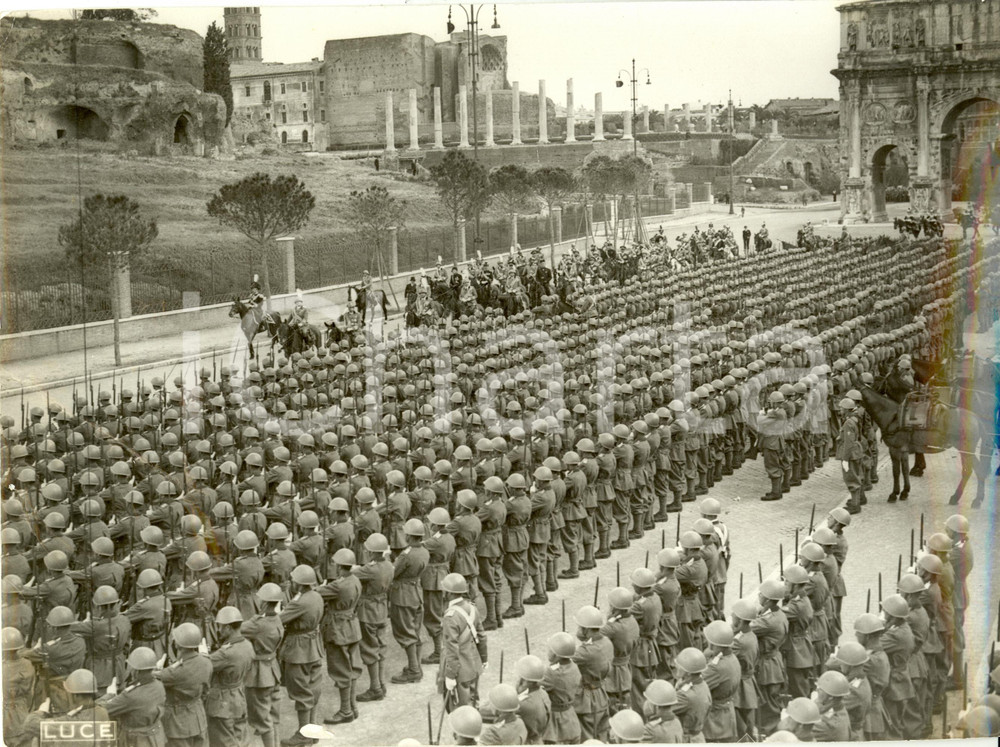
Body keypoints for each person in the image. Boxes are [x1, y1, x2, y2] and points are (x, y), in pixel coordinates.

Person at [439, 572, 488, 711]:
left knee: (461, 710)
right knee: (473, 702)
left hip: (460, 669)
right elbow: (482, 636)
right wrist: (484, 658)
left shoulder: (450, 616)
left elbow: (452, 649)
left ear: (449, 593)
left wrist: (450, 675)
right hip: (474, 663)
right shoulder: (472, 608)